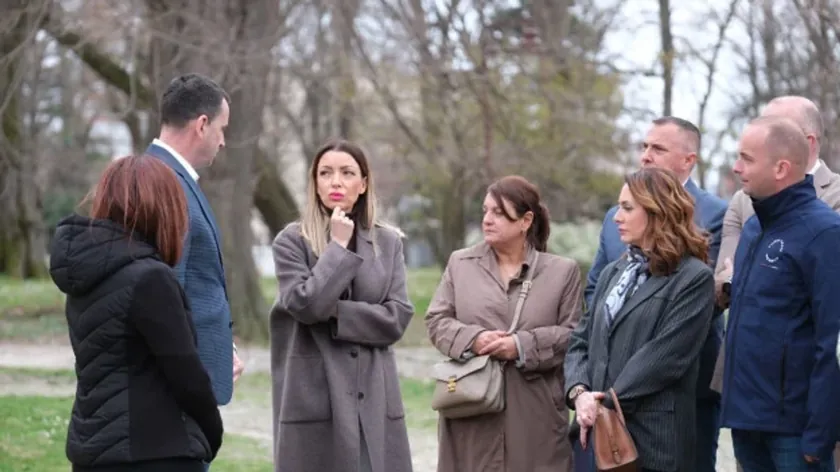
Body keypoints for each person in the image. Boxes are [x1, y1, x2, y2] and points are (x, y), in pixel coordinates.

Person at [49, 155, 223, 472]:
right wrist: (213, 431)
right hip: (153, 451)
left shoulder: (87, 276)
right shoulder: (150, 279)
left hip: (93, 451)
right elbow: (186, 375)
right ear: (164, 210)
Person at [584, 116, 726, 472]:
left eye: (657, 148)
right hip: (603, 407)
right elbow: (593, 299)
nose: (646, 156)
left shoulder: (714, 217)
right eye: (644, 147)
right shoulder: (617, 250)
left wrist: (607, 397)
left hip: (668, 406)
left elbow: (680, 332)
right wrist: (583, 390)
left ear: (688, 159)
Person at [710, 95, 840, 471]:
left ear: (781, 168)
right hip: (747, 423)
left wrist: (819, 432)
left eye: (747, 159)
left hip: (795, 433)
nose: (736, 168)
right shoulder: (754, 228)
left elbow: (830, 341)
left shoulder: (824, 233)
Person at [270, 139, 414, 472]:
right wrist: (336, 246)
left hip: (375, 397)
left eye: (347, 172)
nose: (336, 181)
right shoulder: (291, 241)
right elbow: (305, 306)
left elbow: (397, 317)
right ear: (314, 182)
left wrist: (336, 313)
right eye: (326, 173)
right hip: (315, 394)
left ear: (363, 184)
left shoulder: (387, 242)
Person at [425, 175, 583, 472]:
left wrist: (521, 345)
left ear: (525, 221)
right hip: (471, 409)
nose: (487, 219)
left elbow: (574, 336)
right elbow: (436, 321)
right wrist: (474, 339)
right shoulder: (460, 264)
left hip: (536, 412)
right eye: (485, 211)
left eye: (498, 213)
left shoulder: (562, 272)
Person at [145, 73, 243, 417]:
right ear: (202, 124)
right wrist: (191, 379)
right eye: (222, 128)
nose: (223, 141)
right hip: (177, 398)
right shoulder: (161, 184)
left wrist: (219, 345)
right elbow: (163, 296)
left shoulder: (170, 178)